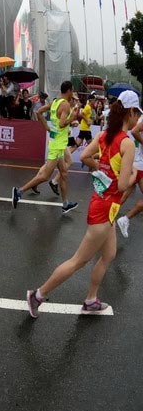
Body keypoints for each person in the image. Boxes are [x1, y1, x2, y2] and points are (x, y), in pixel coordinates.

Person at [26, 90, 142, 318]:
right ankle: (37, 295)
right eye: (137, 112)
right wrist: (134, 174)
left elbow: (85, 156)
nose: (138, 117)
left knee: (108, 255)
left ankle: (91, 299)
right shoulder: (127, 143)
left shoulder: (106, 134)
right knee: (78, 260)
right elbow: (122, 186)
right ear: (130, 112)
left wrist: (102, 169)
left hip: (106, 206)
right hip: (106, 207)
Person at [12, 81, 79, 214]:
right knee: (45, 176)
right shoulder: (65, 105)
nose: (73, 93)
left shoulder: (55, 102)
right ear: (69, 90)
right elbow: (61, 124)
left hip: (57, 143)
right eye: (72, 91)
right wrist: (72, 118)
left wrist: (47, 127)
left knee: (64, 174)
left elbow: (39, 112)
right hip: (57, 146)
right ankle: (19, 191)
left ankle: (65, 204)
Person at [115, 116, 143, 238]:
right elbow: (135, 130)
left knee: (124, 195)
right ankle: (125, 219)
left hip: (136, 163)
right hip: (140, 165)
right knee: (123, 194)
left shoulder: (140, 116)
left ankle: (105, 218)